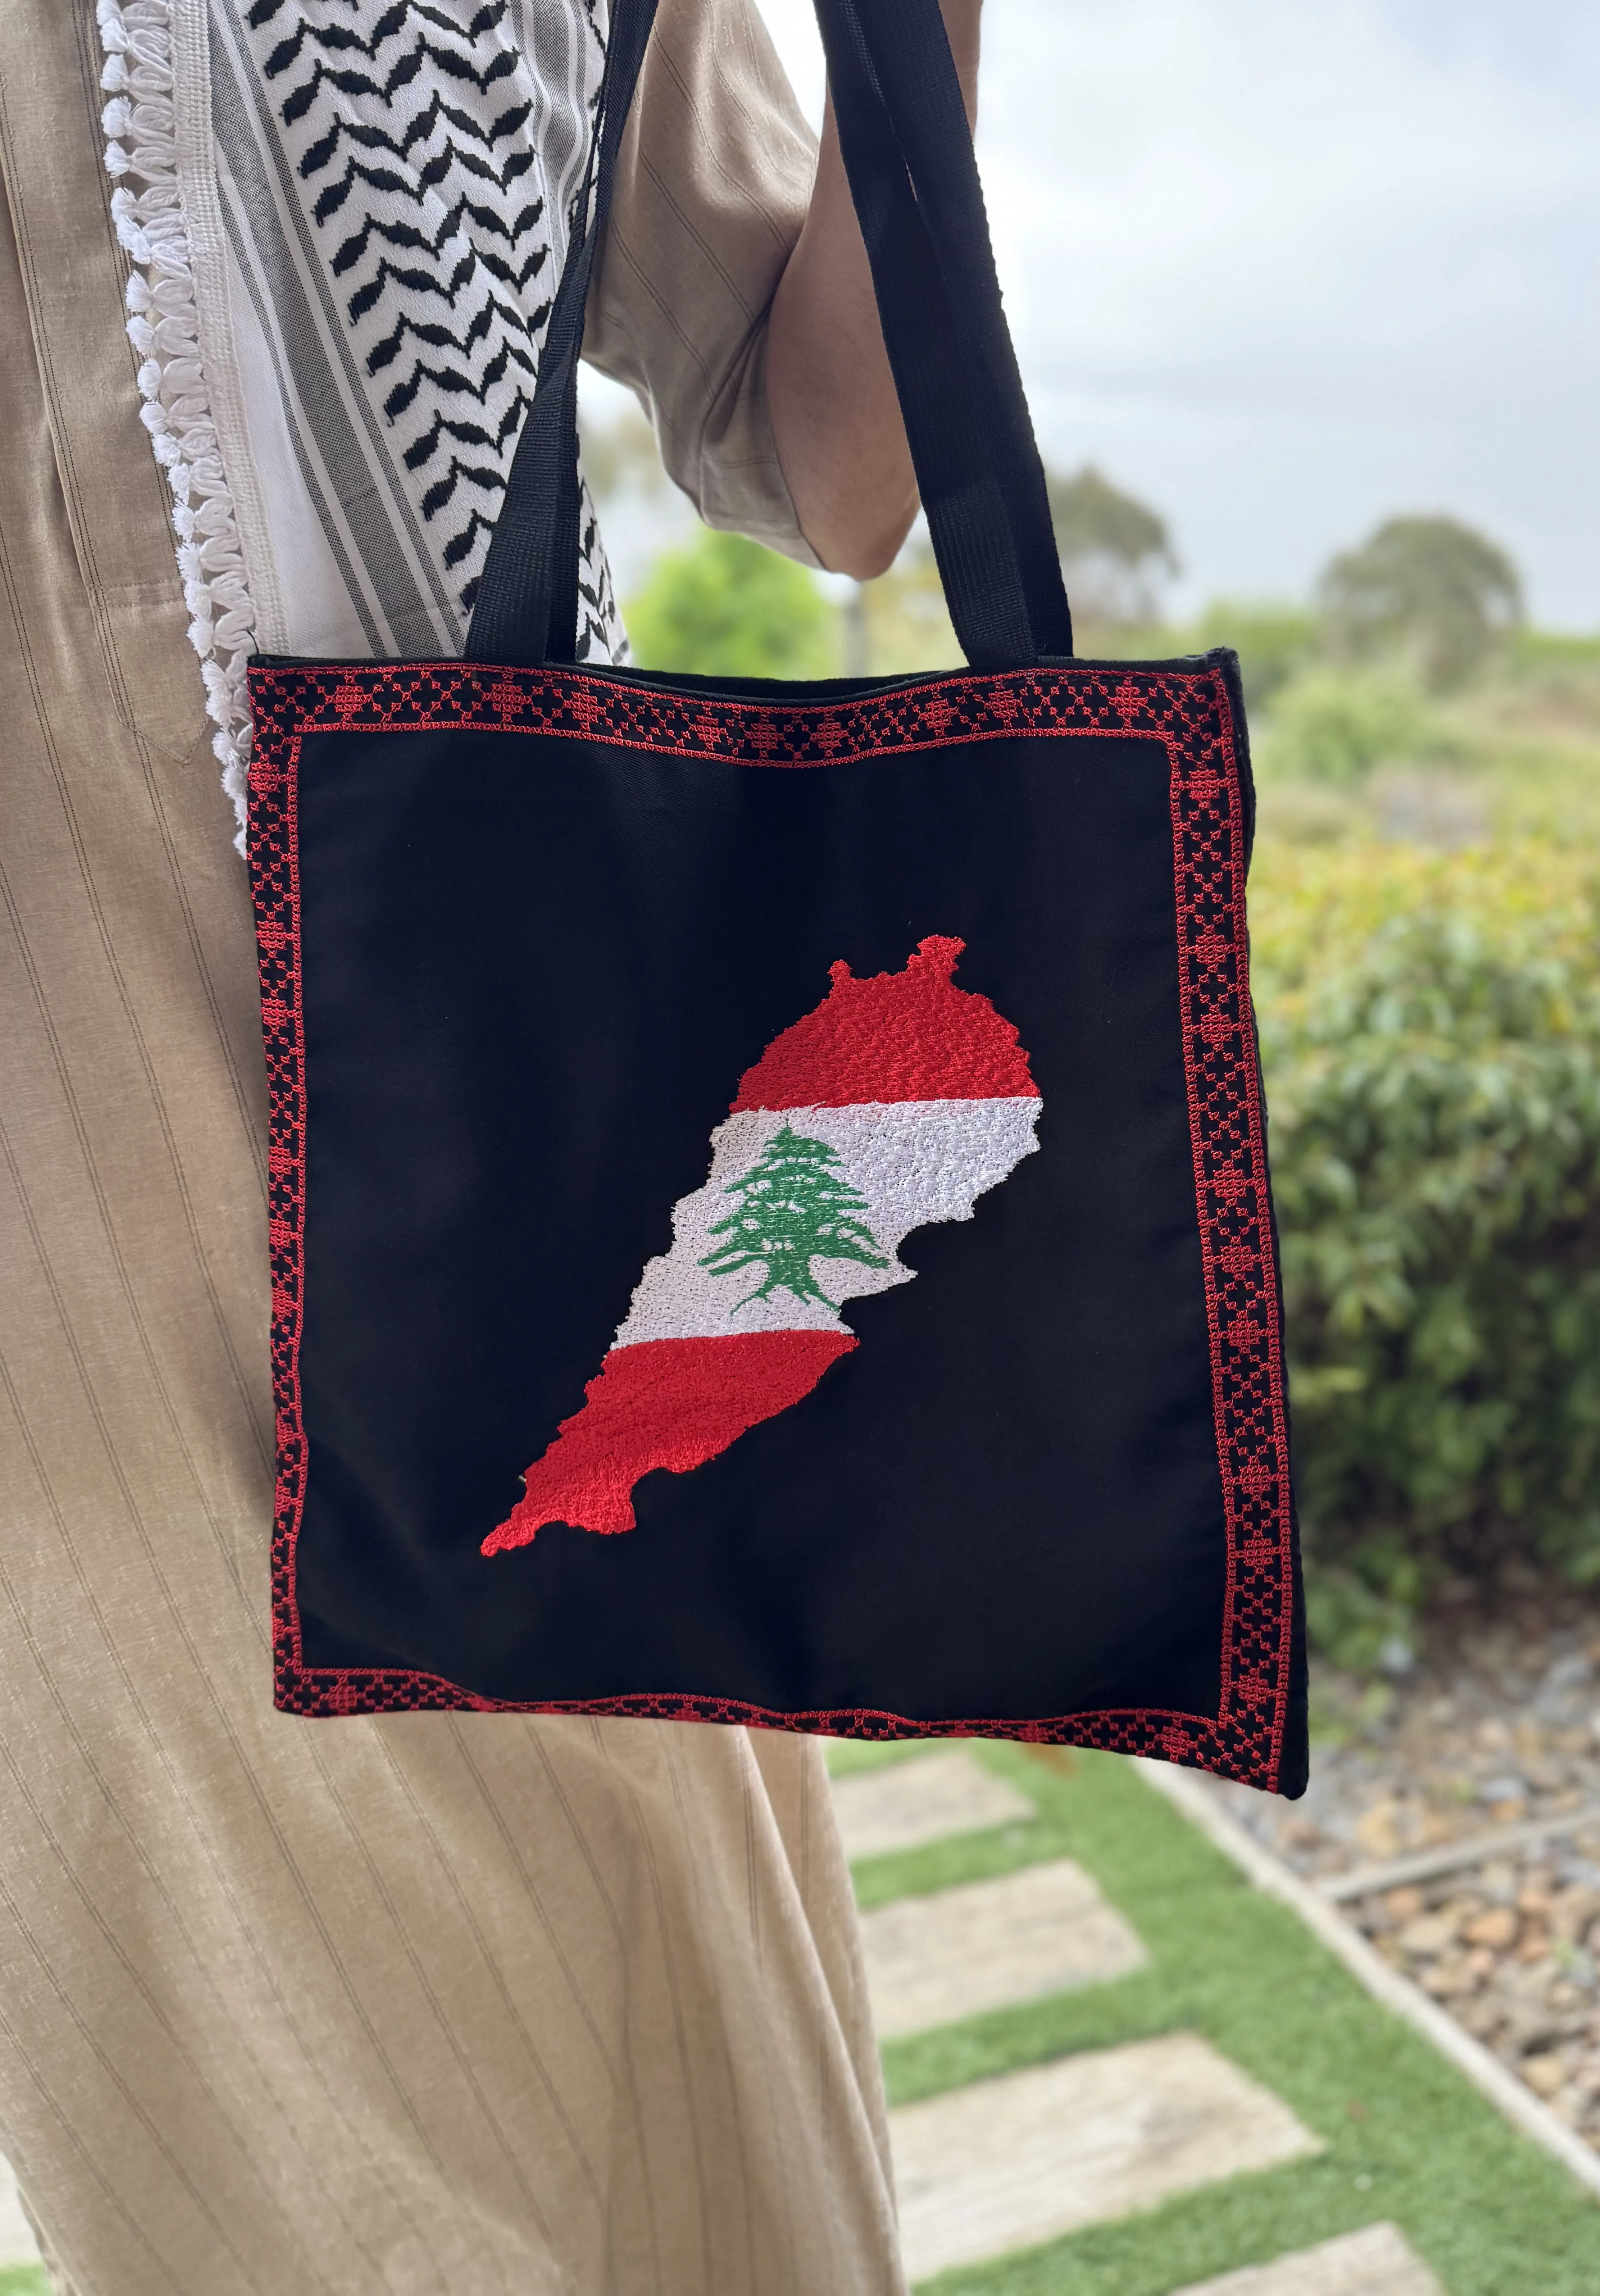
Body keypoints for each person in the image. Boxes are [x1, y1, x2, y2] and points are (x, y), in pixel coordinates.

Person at [0, 0, 981, 2287]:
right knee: (214, 2103)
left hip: (527, 1141)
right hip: (43, 1245)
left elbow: (837, 463)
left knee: (678, 2039)